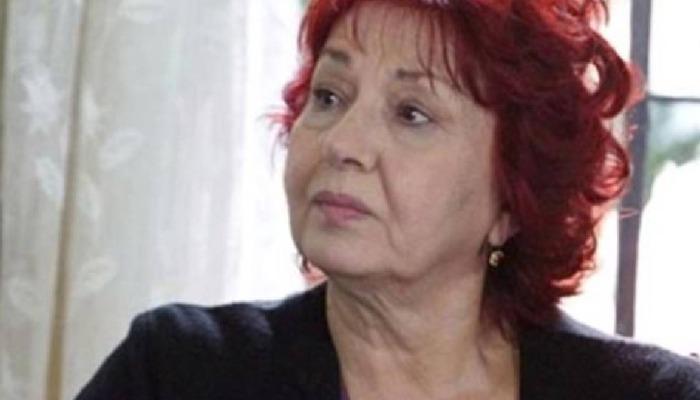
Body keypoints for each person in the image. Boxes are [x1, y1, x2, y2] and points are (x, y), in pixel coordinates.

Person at [76, 0, 700, 399]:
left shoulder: (651, 394)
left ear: (514, 198)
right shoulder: (179, 371)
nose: (342, 143)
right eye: (328, 97)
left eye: (411, 113)